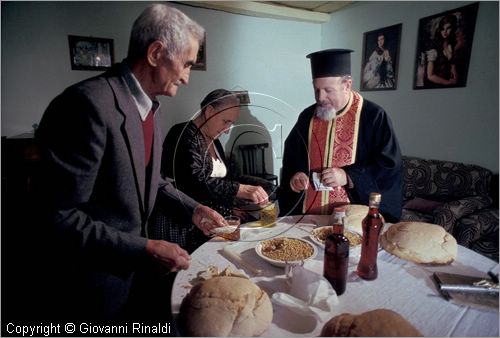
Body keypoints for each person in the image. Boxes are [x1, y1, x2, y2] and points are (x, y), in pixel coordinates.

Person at [31, 3, 227, 321]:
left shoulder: (152, 106)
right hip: (90, 288)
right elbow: (57, 217)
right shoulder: (86, 105)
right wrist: (144, 248)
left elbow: (152, 181)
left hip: (134, 281)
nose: (189, 78)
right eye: (187, 64)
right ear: (155, 54)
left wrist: (194, 210)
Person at [279, 49, 403, 223]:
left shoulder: (373, 116)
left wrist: (348, 176)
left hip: (353, 217)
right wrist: (296, 175)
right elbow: (293, 154)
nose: (320, 98)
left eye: (328, 90)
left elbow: (388, 166)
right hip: (309, 213)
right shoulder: (307, 116)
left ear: (347, 85)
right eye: (317, 90)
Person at [152, 89, 270, 252]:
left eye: (231, 123)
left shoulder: (214, 141)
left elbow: (224, 180)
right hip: (183, 222)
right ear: (209, 111)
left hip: (209, 218)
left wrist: (235, 203)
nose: (228, 129)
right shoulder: (182, 134)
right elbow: (194, 181)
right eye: (225, 121)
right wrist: (239, 189)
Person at [425, 14, 458, 87]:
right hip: (434, 86)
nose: (445, 31)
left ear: (452, 28)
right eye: (443, 29)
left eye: (448, 28)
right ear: (440, 30)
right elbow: (430, 76)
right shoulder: (433, 47)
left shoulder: (451, 45)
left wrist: (455, 80)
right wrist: (448, 83)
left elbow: (453, 65)